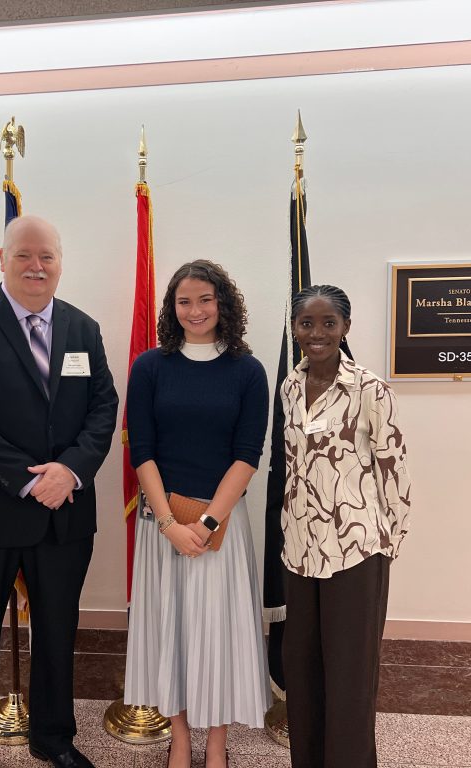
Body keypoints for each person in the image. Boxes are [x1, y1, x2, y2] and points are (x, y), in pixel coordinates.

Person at [0, 215, 119, 768]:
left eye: (47, 257)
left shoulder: (83, 328)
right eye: (24, 256)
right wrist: (27, 476)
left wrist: (69, 471)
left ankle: (54, 740)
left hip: (62, 515)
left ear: (61, 262)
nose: (36, 266)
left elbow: (103, 408)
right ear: (2, 258)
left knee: (58, 635)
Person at [123, 259, 269, 768]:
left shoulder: (247, 371)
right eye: (184, 301)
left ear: (223, 303)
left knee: (219, 638)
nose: (196, 310)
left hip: (220, 527)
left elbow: (248, 455)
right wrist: (168, 525)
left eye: (205, 299)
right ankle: (180, 740)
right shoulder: (149, 367)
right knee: (174, 638)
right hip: (162, 524)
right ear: (172, 308)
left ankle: (217, 747)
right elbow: (141, 450)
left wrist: (206, 525)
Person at [280, 284, 411, 768]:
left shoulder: (370, 389)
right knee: (304, 671)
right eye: (306, 323)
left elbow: (394, 469)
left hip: (357, 552)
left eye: (328, 323)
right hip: (299, 550)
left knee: (351, 676)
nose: (317, 333)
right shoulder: (289, 386)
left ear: (346, 328)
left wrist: (387, 544)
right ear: (294, 329)